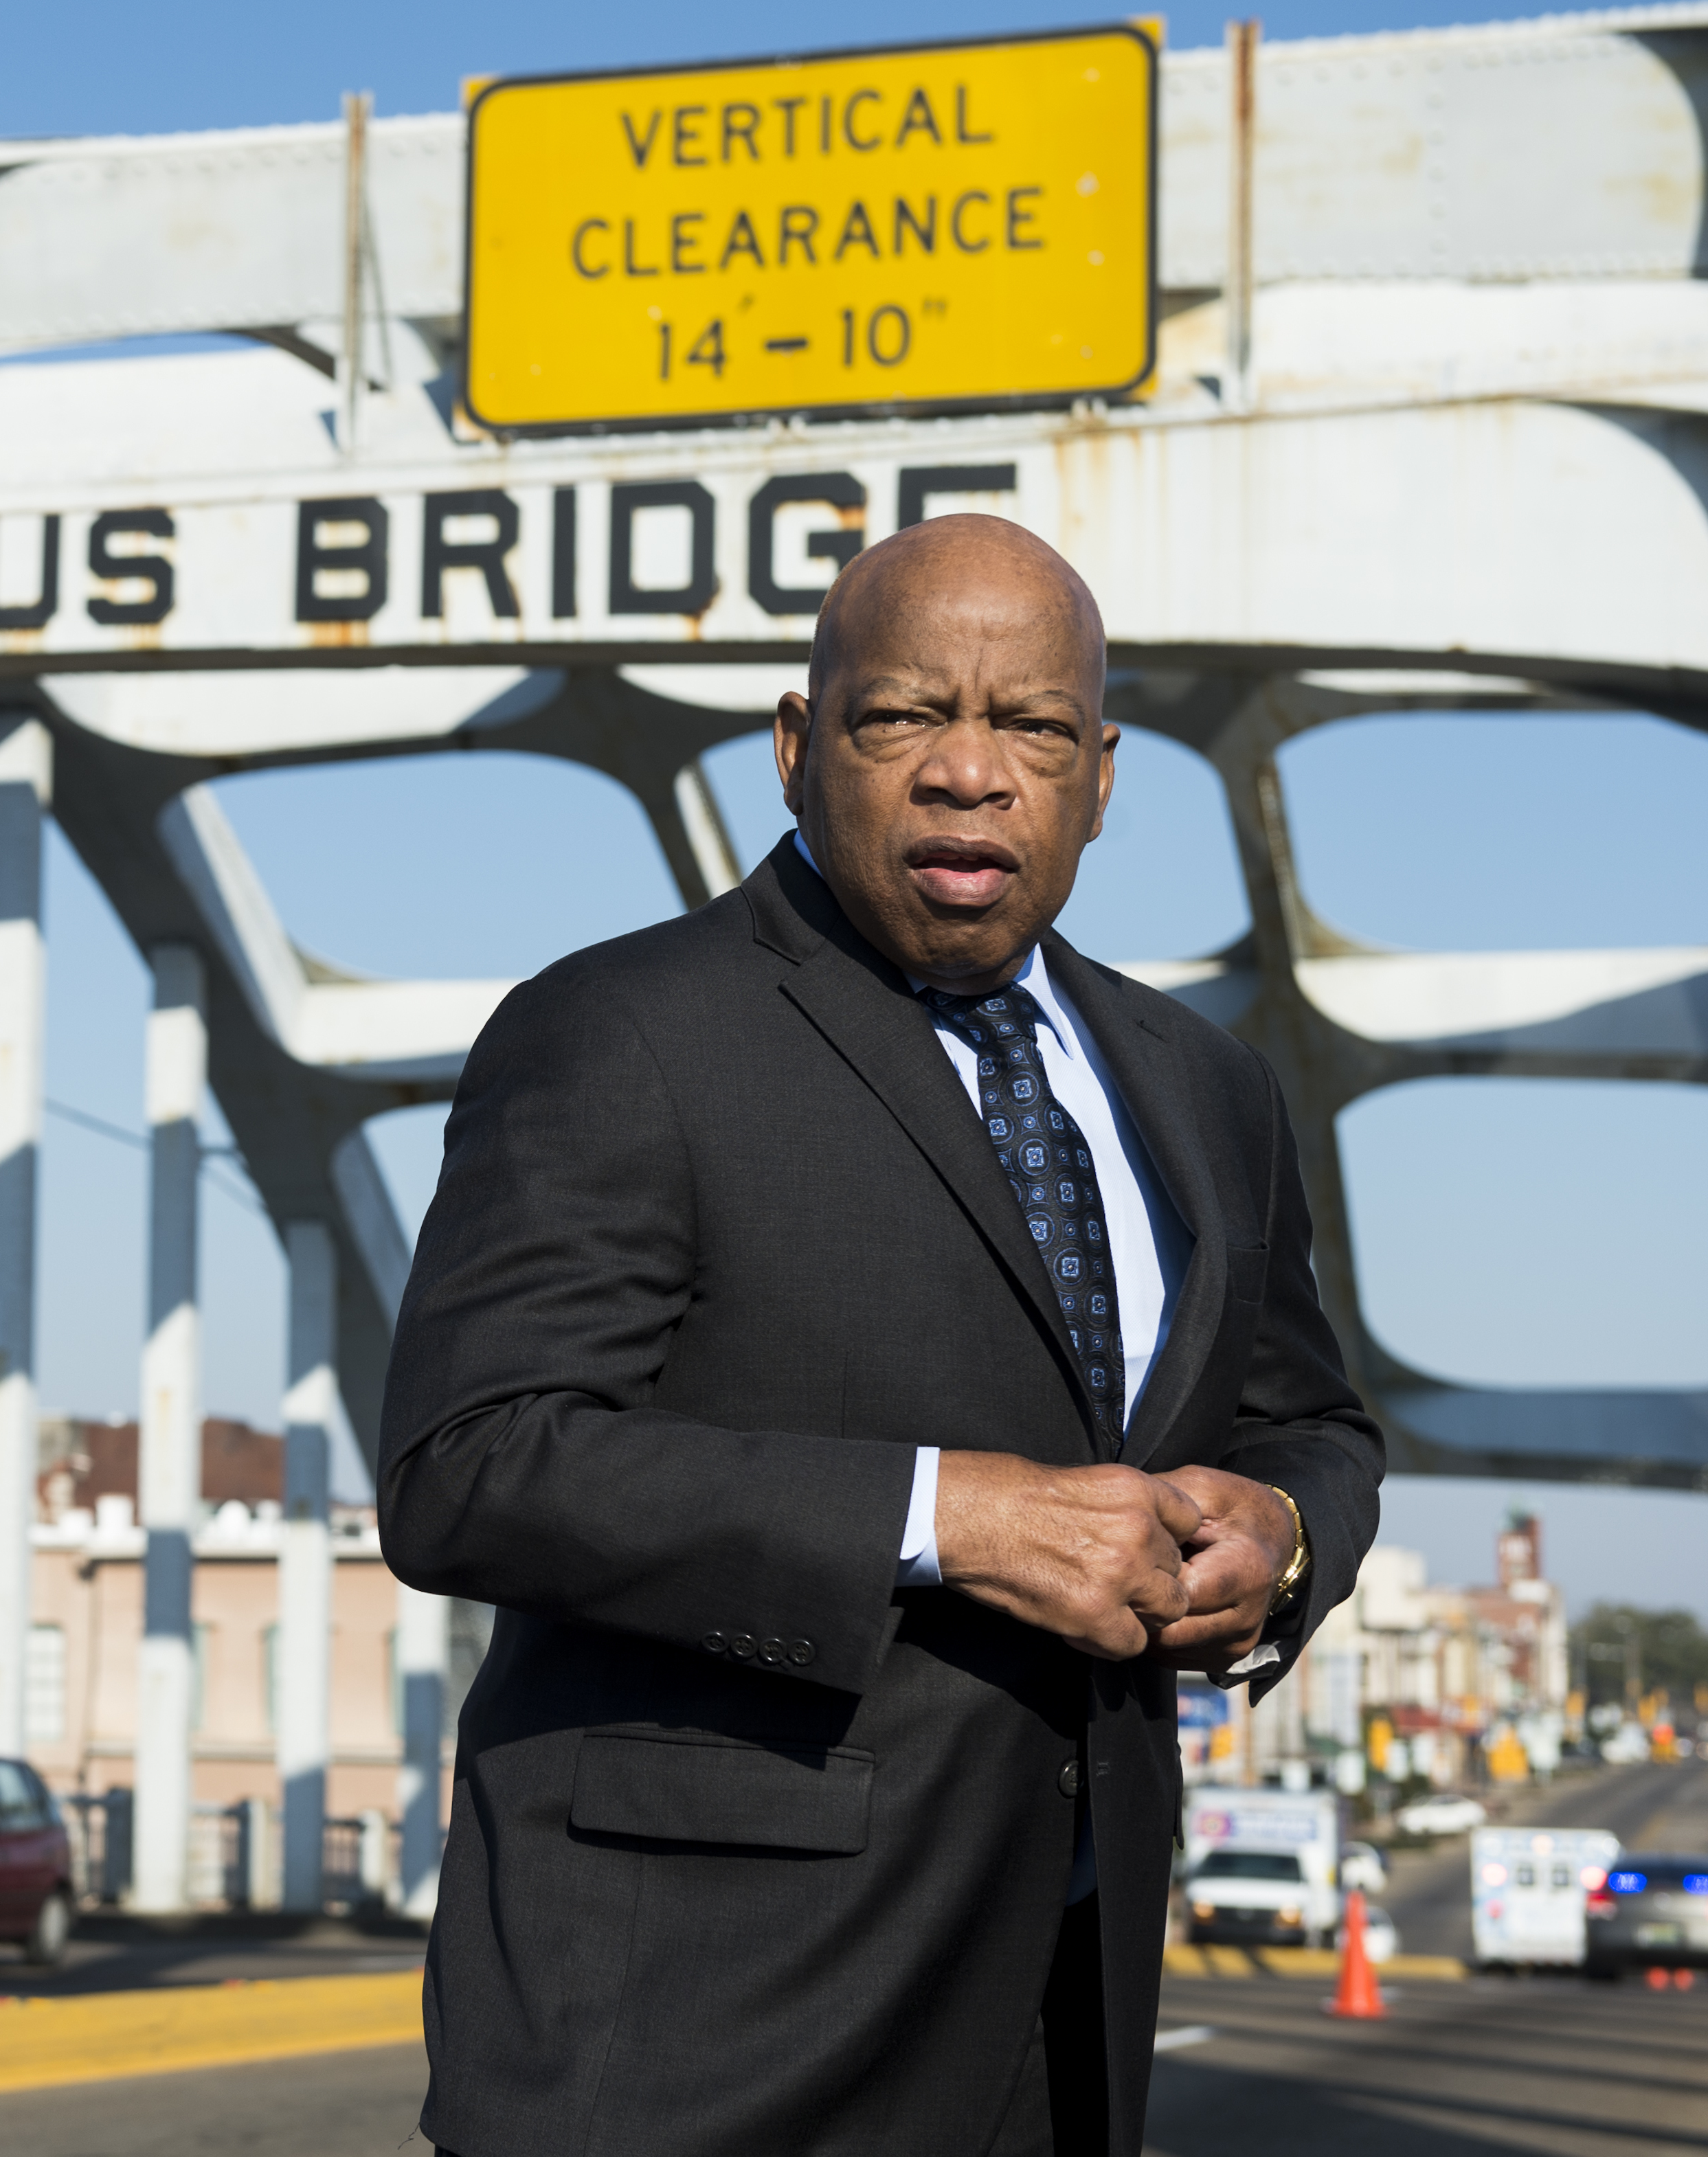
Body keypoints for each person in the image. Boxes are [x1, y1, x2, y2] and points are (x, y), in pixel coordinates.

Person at [379, 515, 1382, 2157]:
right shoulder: (622, 1030)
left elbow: (1312, 1425)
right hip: (690, 2043)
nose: (967, 773)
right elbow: (465, 1468)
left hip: (1064, 2014)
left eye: (1033, 727)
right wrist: (946, 1518)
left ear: (1104, 773)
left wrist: (1279, 1546)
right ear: (796, 747)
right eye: (904, 714)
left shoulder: (1206, 1086)